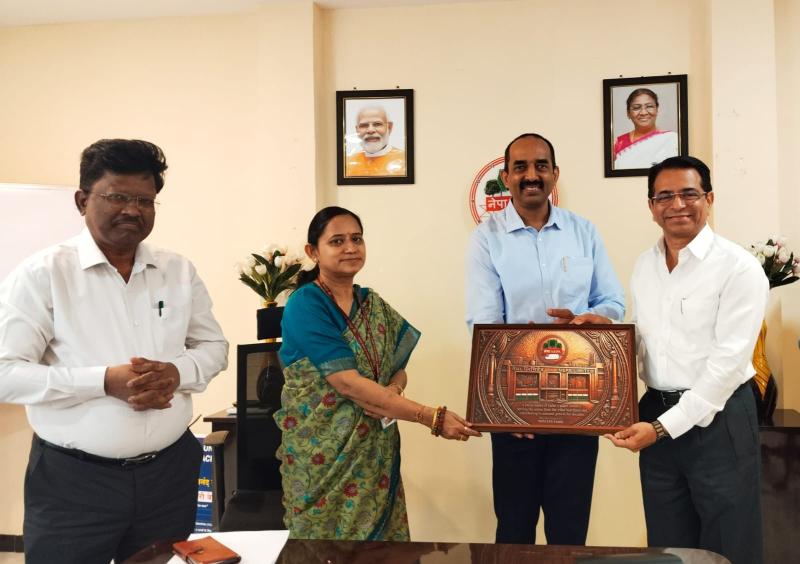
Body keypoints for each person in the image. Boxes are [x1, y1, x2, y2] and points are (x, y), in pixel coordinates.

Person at [0, 139, 228, 564]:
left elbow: (213, 346)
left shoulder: (177, 270)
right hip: (73, 483)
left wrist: (176, 373)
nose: (132, 210)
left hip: (168, 475)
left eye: (145, 200)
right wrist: (104, 381)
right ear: (82, 200)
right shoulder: (42, 274)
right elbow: (5, 373)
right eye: (117, 197)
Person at [276, 206, 480, 540]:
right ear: (313, 251)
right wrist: (432, 417)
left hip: (375, 452)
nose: (350, 248)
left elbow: (398, 368)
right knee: (326, 549)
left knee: (383, 548)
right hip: (324, 456)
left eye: (356, 239)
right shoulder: (306, 304)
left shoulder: (371, 303)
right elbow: (347, 383)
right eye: (337, 241)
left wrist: (391, 393)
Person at [605, 156, 767, 564]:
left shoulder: (739, 268)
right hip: (655, 416)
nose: (677, 204)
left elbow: (727, 365)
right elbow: (646, 338)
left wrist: (662, 428)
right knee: (669, 546)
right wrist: (599, 339)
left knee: (728, 546)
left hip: (719, 421)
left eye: (689, 193)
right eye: (664, 196)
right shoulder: (645, 264)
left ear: (709, 199)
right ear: (651, 206)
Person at [465, 133, 625, 545]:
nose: (531, 175)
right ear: (505, 177)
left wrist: (592, 319)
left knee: (569, 530)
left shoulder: (583, 232)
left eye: (540, 166)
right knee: (514, 528)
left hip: (579, 401)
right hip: (514, 404)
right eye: (520, 167)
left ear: (555, 174)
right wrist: (509, 408)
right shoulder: (487, 238)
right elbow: (484, 322)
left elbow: (613, 302)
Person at [613, 88, 679, 169]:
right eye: (636, 108)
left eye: (649, 106)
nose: (643, 113)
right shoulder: (617, 144)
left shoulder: (673, 139)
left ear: (657, 110)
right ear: (628, 113)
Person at [345, 105, 406, 177]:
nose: (370, 130)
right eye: (364, 125)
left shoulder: (405, 160)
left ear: (389, 127)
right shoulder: (346, 164)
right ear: (357, 130)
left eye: (377, 124)